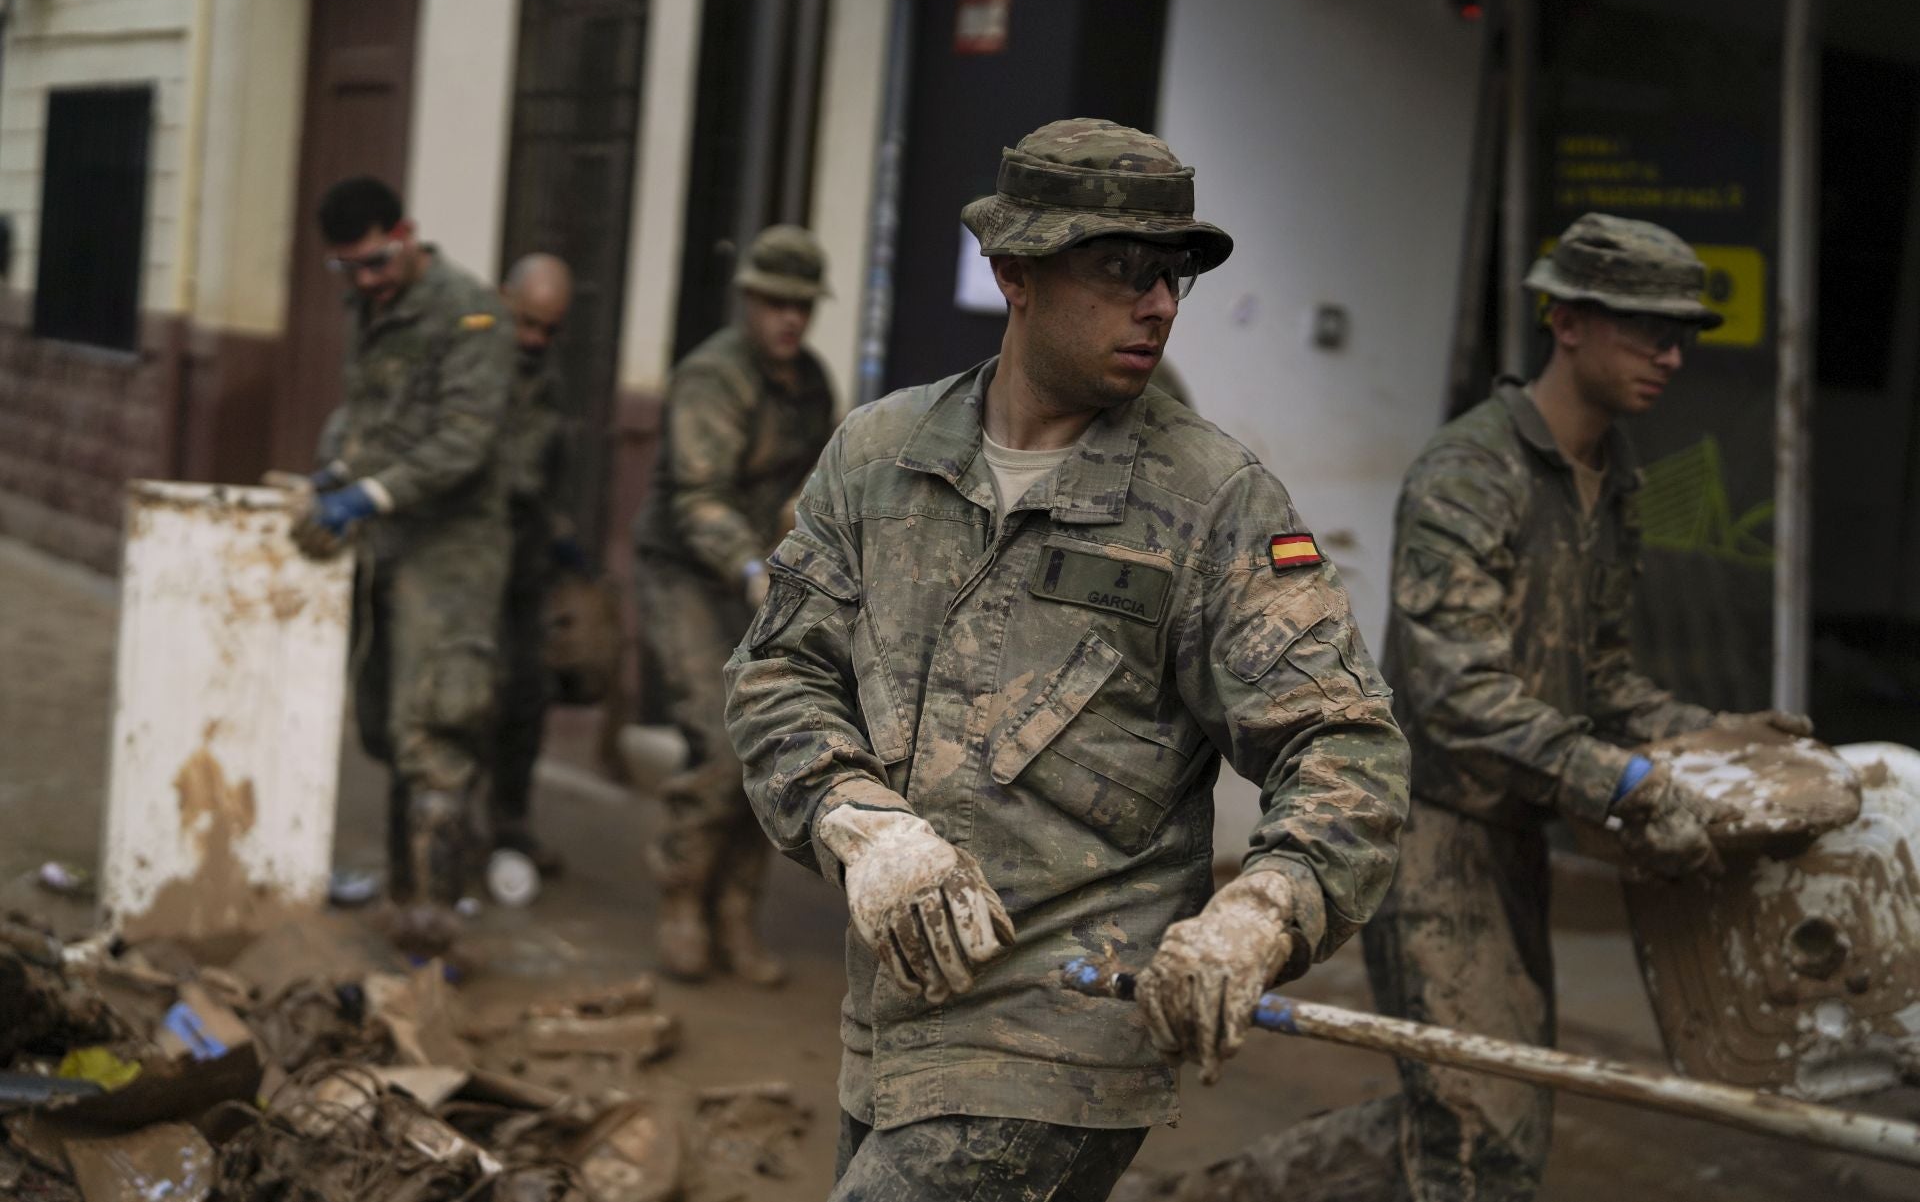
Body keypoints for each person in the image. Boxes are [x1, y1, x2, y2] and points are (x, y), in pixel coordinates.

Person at [725, 118, 1409, 1200]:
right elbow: (780, 672)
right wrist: (858, 820)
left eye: (1174, 275)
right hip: (893, 1020)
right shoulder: (880, 458)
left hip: (1069, 1030)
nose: (1161, 306)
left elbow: (1345, 747)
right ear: (1016, 274)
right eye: (1124, 270)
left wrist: (1264, 908)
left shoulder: (1212, 502)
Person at [1364, 212, 1812, 1200]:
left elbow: (1600, 676)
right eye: (1646, 329)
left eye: (1683, 334)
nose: (1672, 355)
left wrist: (1711, 735)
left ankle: (1252, 1188)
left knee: (1483, 1115)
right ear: (1564, 321)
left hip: (1518, 835)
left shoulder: (1615, 476)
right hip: (1433, 836)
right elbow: (1454, 690)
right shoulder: (1470, 471)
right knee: (1483, 1139)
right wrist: (1622, 780)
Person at [294, 176, 517, 953]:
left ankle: (434, 925)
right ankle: (401, 893)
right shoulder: (373, 302)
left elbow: (464, 441)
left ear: (409, 233)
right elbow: (373, 412)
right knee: (386, 724)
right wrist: (337, 468)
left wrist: (366, 494)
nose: (363, 281)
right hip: (391, 539)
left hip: (452, 547)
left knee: (437, 722)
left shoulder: (471, 311)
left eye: (377, 263)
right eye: (348, 270)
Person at [631, 224, 838, 986]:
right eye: (776, 302)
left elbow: (817, 486)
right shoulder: (712, 376)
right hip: (687, 571)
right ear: (749, 298)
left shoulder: (811, 381)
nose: (790, 318)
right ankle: (683, 898)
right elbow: (698, 497)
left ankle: (735, 913)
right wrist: (750, 565)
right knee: (720, 746)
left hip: (764, 575)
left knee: (769, 743)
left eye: (803, 305)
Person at [491, 253, 584, 877]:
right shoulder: (467, 362)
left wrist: (560, 537)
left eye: (550, 330)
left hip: (524, 558)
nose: (536, 340)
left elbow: (545, 470)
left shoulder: (549, 378)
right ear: (503, 300)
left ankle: (508, 825)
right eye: (527, 323)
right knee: (465, 696)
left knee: (526, 690)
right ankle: (440, 840)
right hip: (466, 557)